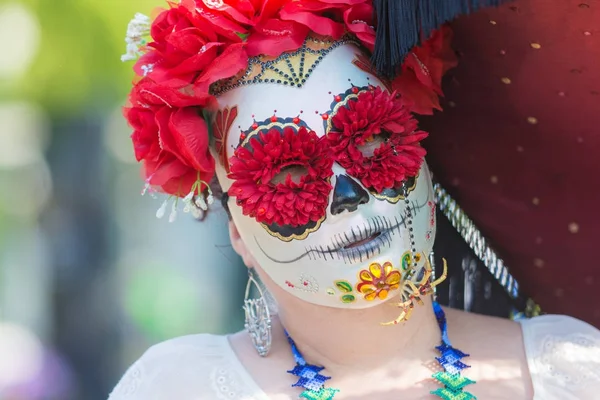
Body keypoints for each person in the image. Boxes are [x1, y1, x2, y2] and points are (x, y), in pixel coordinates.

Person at [110, 1, 600, 399]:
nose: (349, 195)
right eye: (291, 175)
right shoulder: (178, 387)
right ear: (238, 232)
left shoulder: (569, 372)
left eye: (372, 144)